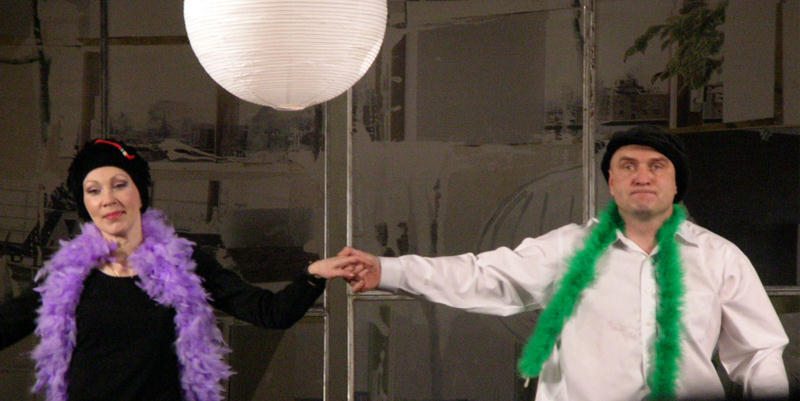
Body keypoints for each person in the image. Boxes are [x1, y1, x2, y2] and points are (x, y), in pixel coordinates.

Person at [341, 125, 790, 401]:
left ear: (676, 186)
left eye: (657, 166)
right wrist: (387, 270)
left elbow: (759, 354)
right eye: (628, 166)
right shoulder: (568, 248)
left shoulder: (719, 258)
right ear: (611, 183)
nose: (642, 176)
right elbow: (483, 275)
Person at [0, 138, 370, 401]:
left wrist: (315, 274)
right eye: (93, 190)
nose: (107, 199)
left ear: (140, 192)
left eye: (119, 184)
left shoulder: (187, 264)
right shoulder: (66, 278)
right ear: (85, 204)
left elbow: (271, 313)